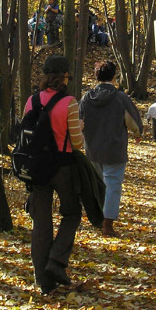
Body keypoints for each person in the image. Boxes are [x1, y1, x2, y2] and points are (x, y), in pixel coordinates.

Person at [23, 54, 84, 294]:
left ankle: (42, 280)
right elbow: (77, 143)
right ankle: (56, 262)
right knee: (71, 213)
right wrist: (80, 130)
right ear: (64, 76)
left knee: (41, 221)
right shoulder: (69, 102)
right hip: (62, 166)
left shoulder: (31, 101)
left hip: (37, 168)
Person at [78, 60, 143, 238]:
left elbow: (79, 122)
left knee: (98, 184)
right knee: (113, 186)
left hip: (93, 149)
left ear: (96, 76)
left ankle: (98, 218)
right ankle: (107, 224)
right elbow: (132, 120)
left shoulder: (86, 98)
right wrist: (138, 133)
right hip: (115, 149)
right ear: (114, 76)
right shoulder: (120, 98)